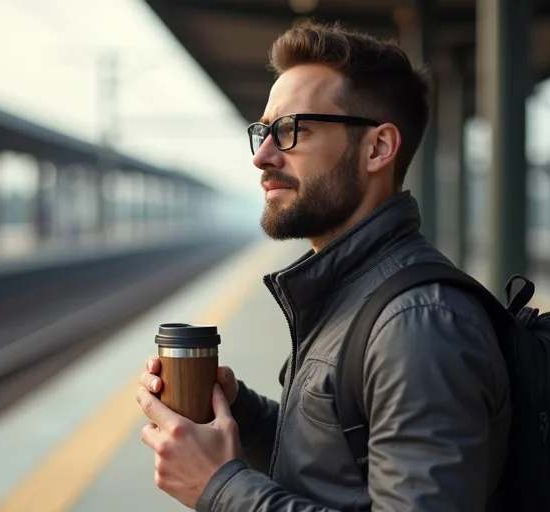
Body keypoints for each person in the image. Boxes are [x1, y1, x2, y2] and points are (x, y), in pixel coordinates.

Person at [136, 20, 511, 512]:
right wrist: (242, 416)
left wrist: (221, 488)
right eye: (264, 131)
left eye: (293, 130)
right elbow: (340, 463)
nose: (263, 156)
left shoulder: (418, 324)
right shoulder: (351, 289)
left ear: (378, 148)